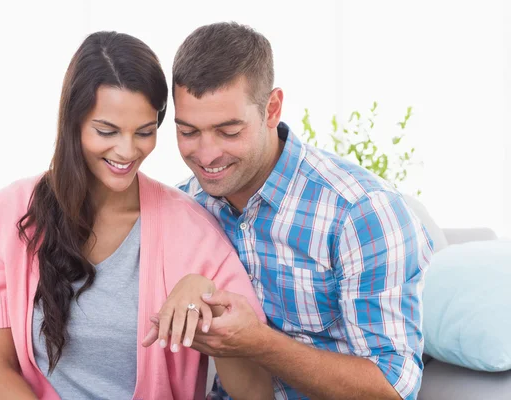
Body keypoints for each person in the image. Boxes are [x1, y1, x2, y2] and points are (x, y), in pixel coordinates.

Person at [0, 31, 273, 400]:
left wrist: (208, 297)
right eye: (107, 131)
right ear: (73, 122)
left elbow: (255, 392)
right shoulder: (7, 215)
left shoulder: (192, 230)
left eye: (144, 132)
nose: (128, 150)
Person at [170, 22, 433, 400]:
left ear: (271, 108)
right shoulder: (189, 207)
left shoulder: (361, 213)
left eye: (229, 131)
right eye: (189, 132)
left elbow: (391, 387)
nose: (207, 155)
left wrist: (257, 342)